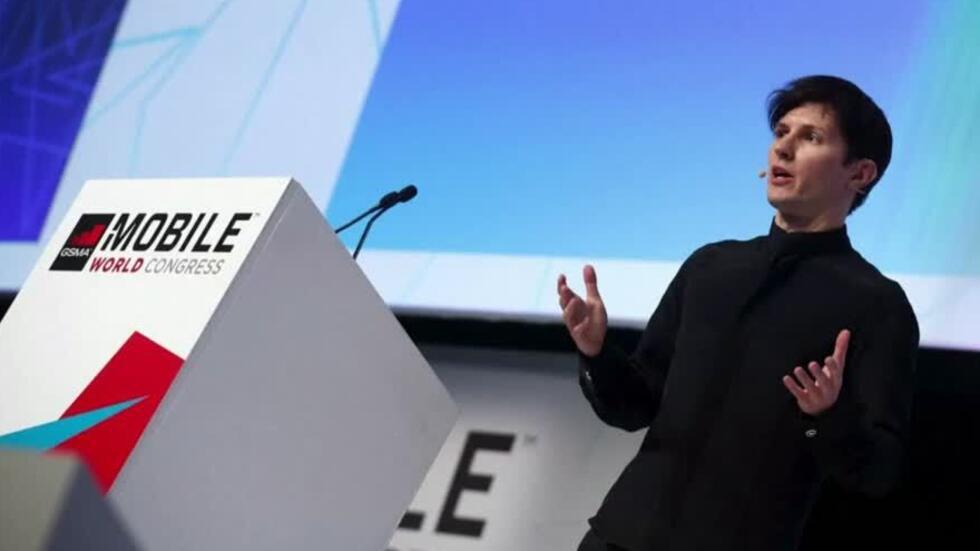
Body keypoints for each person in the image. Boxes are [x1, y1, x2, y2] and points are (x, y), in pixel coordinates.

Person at [558, 75, 919, 551]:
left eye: (810, 137)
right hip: (619, 535)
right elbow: (633, 408)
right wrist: (598, 353)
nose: (782, 149)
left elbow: (879, 472)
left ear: (860, 173)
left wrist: (827, 416)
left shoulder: (877, 304)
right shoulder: (711, 266)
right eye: (781, 133)